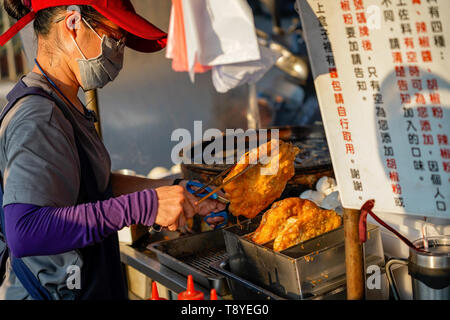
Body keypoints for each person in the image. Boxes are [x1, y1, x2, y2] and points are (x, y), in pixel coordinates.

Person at [0, 0, 226, 300]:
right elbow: (25, 232)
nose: (119, 52)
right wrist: (143, 206)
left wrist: (169, 187)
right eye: (115, 37)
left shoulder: (63, 103)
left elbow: (86, 185)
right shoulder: (39, 117)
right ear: (73, 23)